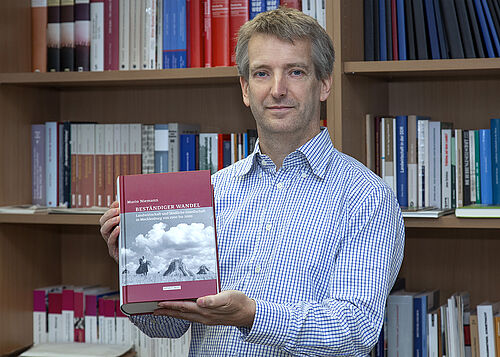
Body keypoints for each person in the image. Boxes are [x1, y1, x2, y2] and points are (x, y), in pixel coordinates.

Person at [99, 7, 405, 356]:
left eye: (295, 72)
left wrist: (253, 317)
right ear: (245, 88)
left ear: (324, 84)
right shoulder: (214, 191)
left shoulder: (367, 197)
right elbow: (169, 324)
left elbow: (356, 329)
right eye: (262, 73)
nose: (277, 90)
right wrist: (135, 268)